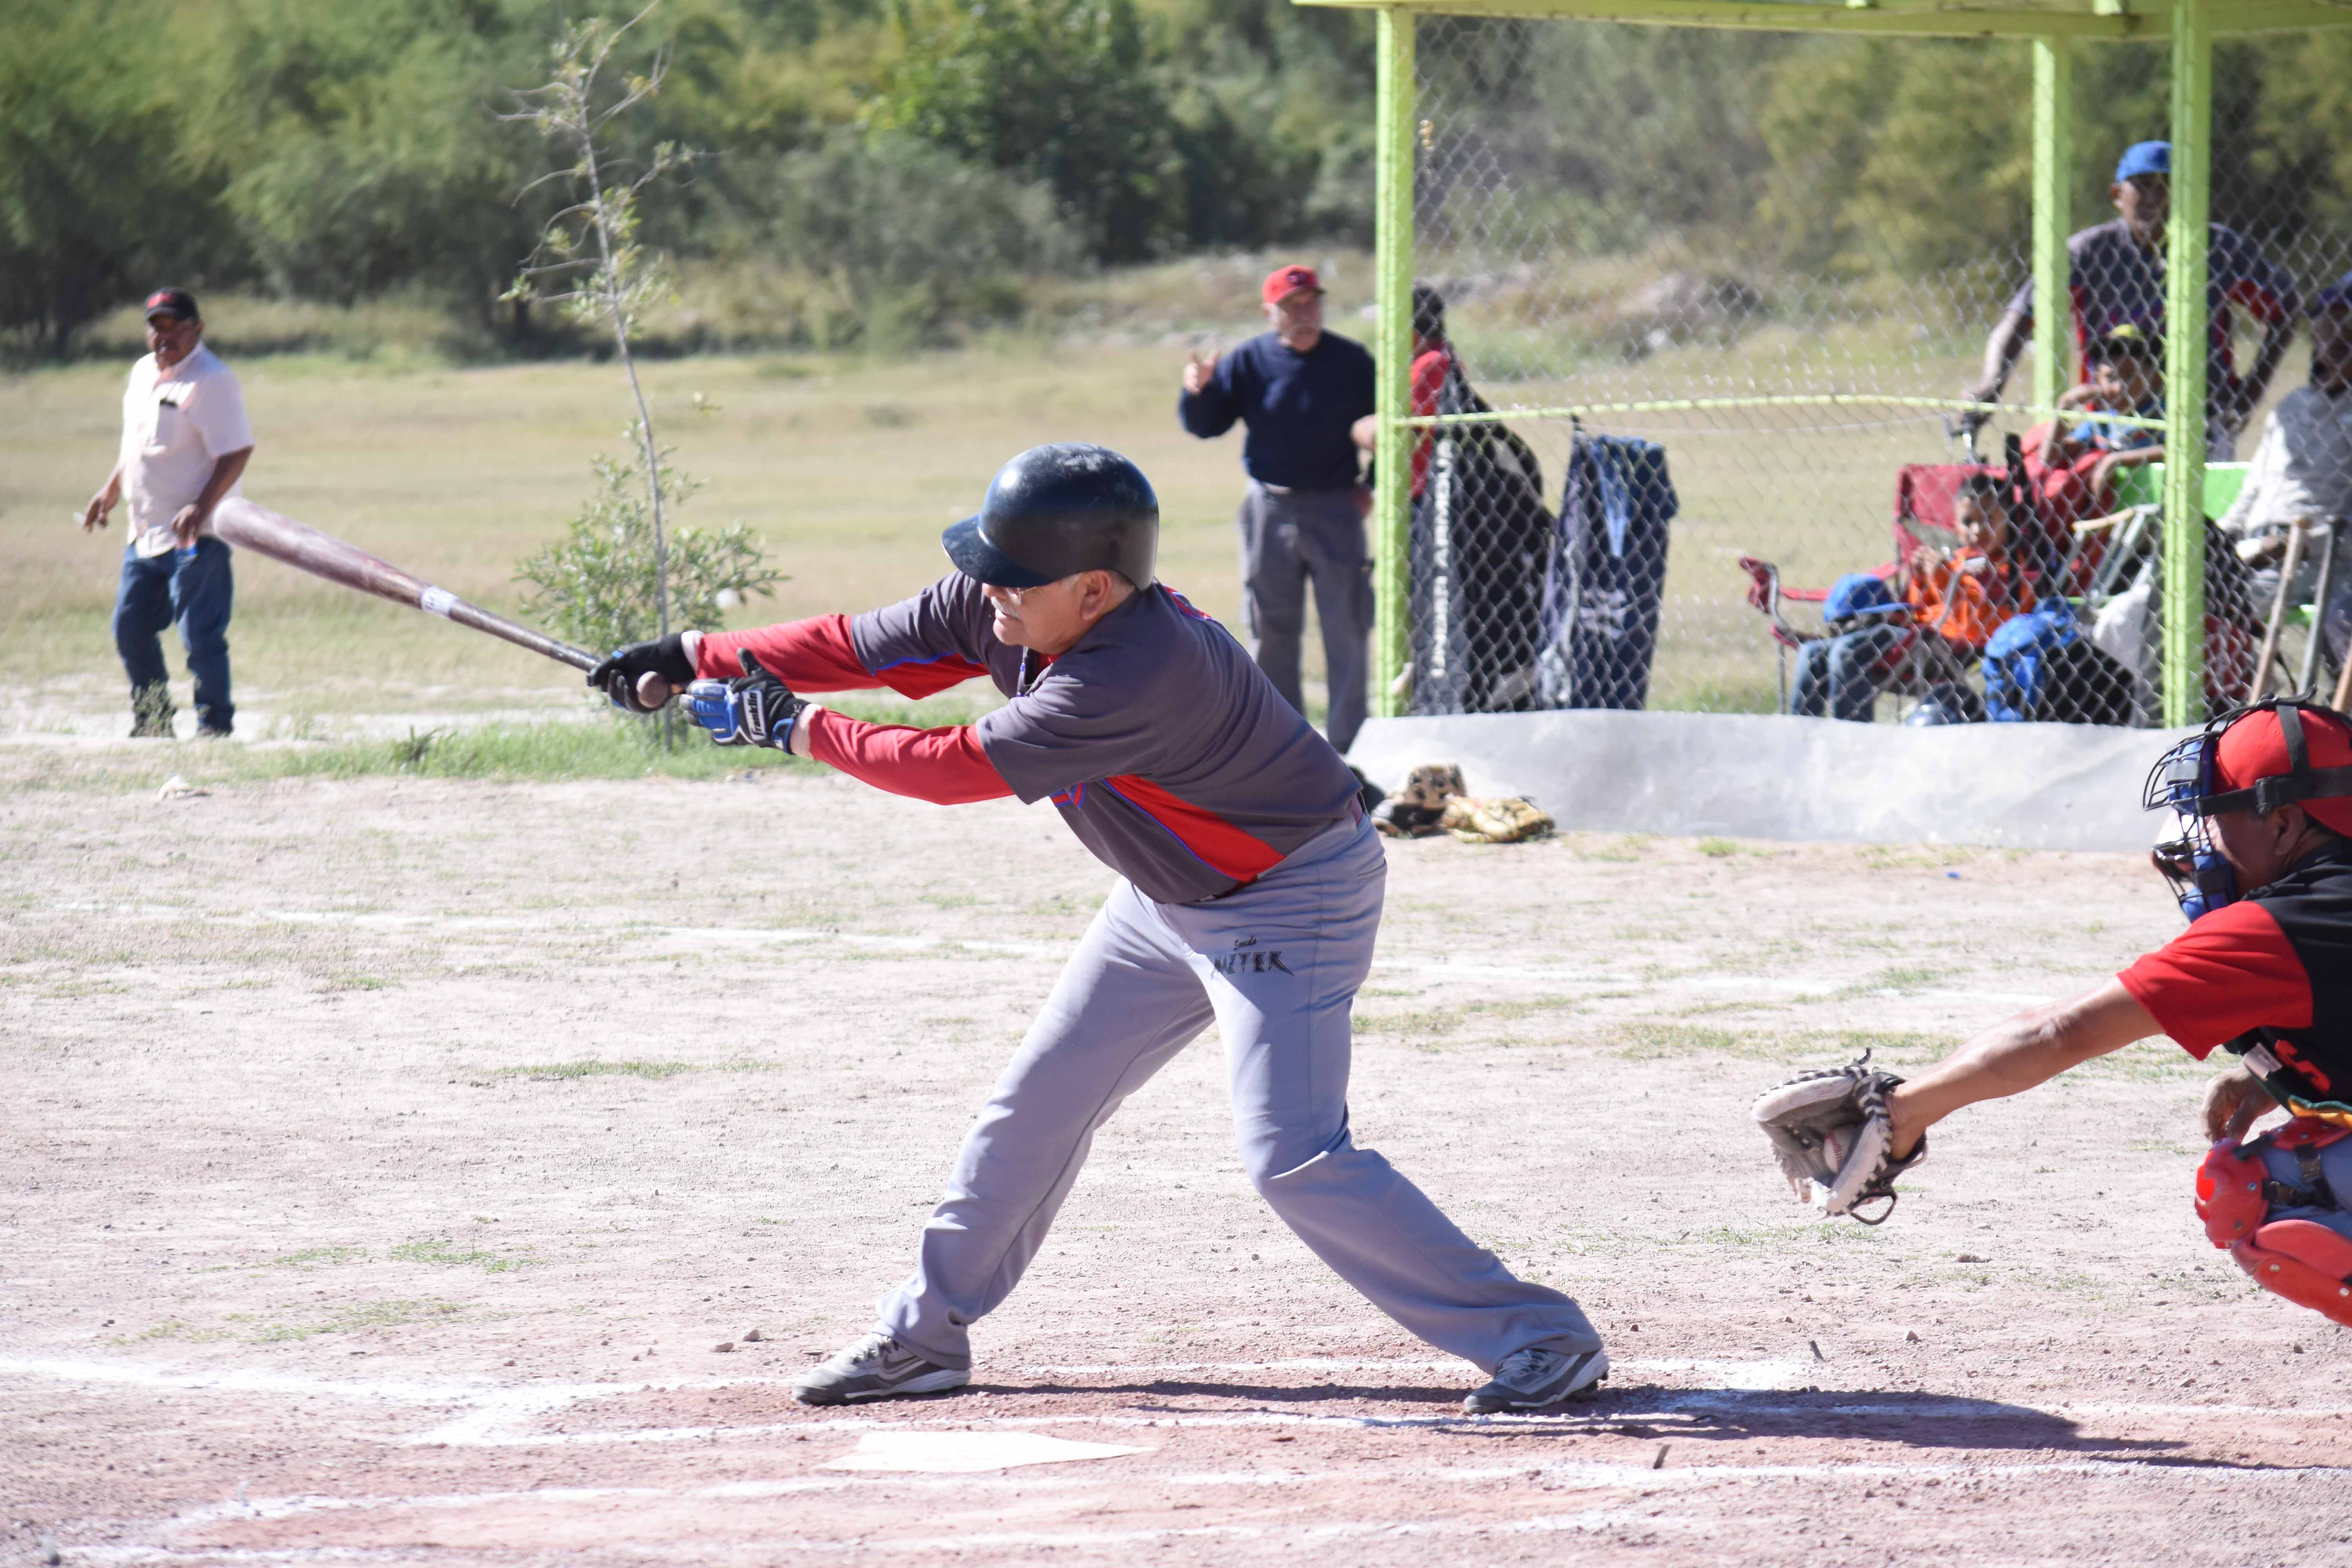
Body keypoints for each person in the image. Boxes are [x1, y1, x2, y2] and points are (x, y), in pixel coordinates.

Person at [586, 443, 1610, 1414]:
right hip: (1165, 898)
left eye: (1013, 580)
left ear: (1094, 587)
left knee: (1291, 1158)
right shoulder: (1012, 600)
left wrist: (796, 726)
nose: (989, 594)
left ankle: (1541, 1336)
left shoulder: (1137, 668)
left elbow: (954, 771)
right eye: (987, 571)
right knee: (1033, 1106)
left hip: (1289, 899)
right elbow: (860, 646)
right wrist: (694, 652)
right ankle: (927, 1338)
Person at [1837, 701, 2352, 1327]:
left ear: (2285, 824)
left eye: (2217, 815)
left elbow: (2058, 1033)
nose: (2199, 840)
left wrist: (1901, 1114)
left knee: (2263, 1189)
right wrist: (2272, 1073)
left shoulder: (2286, 925)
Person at [1962, 141, 2299, 462]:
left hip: (2200, 424)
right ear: (2117, 195)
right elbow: (2020, 318)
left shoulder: (2216, 249)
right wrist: (1992, 382)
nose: (2157, 197)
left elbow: (2286, 308)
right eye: (2144, 185)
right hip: (2111, 425)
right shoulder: (2090, 252)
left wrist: (2250, 392)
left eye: (2168, 185)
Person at [1179, 264, 1377, 751]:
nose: (1303, 314)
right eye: (1291, 307)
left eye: (1311, 303)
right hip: (1269, 507)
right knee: (1271, 628)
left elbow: (1383, 426)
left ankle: (1352, 747)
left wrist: (1371, 484)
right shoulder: (1248, 360)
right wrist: (1198, 391)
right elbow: (1208, 426)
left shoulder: (1352, 361)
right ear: (1270, 313)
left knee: (1347, 627)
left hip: (1336, 506)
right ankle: (1285, 748)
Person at [78, 288, 255, 739]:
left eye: (177, 326)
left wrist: (202, 507)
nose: (166, 335)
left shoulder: (211, 380)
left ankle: (215, 727)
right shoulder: (141, 373)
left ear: (198, 328)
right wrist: (111, 488)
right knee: (130, 629)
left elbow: (237, 452)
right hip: (144, 532)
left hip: (196, 536)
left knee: (200, 639)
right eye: (157, 326)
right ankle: (154, 721)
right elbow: (139, 445)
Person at [1787, 474, 2032, 722]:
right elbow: (1921, 608)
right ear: (1956, 527)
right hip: (1913, 635)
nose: (1978, 531)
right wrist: (1920, 580)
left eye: (1989, 520)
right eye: (1968, 522)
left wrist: (1942, 576)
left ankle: (1855, 743)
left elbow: (1980, 627)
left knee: (1845, 653)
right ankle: (1802, 738)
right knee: (1813, 653)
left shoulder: (2012, 571)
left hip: (1945, 645)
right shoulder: (1958, 559)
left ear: (2009, 519)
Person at [2217, 274, 2352, 668]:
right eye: (2331, 321)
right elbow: (2253, 490)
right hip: (2252, 549)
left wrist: (2300, 541)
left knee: (2215, 601)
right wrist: (2219, 542)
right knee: (2161, 592)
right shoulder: (2292, 406)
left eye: (2350, 324)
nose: (2339, 334)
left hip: (2312, 557)